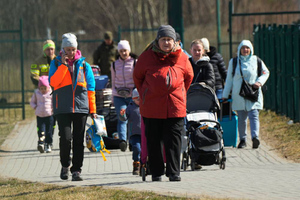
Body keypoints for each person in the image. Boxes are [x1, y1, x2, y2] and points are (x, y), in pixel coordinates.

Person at [133, 25, 194, 182]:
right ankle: (156, 172)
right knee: (153, 140)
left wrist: (179, 92)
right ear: (157, 41)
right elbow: (138, 78)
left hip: (175, 107)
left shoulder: (183, 57)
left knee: (173, 141)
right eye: (163, 39)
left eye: (169, 40)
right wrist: (146, 94)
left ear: (174, 41)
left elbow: (188, 77)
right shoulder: (146, 57)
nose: (166, 43)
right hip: (152, 107)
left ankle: (174, 172)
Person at [49, 33, 96, 181]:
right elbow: (53, 83)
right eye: (67, 49)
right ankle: (65, 165)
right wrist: (63, 66)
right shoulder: (55, 63)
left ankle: (76, 170)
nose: (70, 53)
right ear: (62, 49)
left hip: (81, 107)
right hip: (62, 108)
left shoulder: (84, 64)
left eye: (73, 49)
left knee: (78, 140)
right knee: (65, 138)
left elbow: (91, 88)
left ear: (77, 49)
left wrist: (93, 109)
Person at [222, 40, 269, 149]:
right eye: (243, 48)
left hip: (253, 93)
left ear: (251, 49)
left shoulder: (256, 60)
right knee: (242, 117)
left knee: (254, 115)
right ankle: (242, 139)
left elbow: (266, 72)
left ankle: (255, 138)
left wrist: (259, 82)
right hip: (239, 95)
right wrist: (225, 95)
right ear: (239, 50)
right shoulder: (234, 62)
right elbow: (229, 80)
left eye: (247, 48)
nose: (245, 50)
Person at [111, 40, 137, 152]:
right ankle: (122, 141)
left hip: (132, 95)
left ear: (129, 50)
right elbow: (113, 81)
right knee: (122, 118)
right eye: (121, 51)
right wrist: (112, 96)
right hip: (119, 96)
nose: (123, 53)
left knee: (133, 118)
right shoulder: (114, 64)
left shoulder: (135, 62)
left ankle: (132, 141)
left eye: (125, 50)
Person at [119, 88, 141, 175]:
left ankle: (146, 164)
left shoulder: (146, 106)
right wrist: (122, 115)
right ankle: (136, 164)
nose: (139, 101)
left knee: (146, 150)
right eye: (137, 99)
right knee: (137, 148)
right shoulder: (130, 107)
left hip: (145, 133)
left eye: (141, 99)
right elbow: (124, 119)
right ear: (133, 99)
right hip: (134, 134)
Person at [30, 76, 54, 153]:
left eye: (45, 88)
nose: (43, 90)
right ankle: (41, 143)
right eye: (41, 88)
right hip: (40, 116)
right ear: (39, 88)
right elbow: (32, 102)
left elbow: (54, 102)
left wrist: (53, 109)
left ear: (48, 87)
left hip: (49, 115)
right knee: (41, 130)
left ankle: (48, 144)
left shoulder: (51, 93)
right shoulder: (37, 93)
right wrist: (35, 107)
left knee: (49, 131)